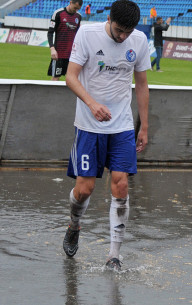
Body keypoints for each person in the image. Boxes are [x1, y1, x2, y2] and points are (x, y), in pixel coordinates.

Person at [63, 0, 151, 271]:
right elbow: (71, 77)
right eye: (119, 30)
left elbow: (142, 84)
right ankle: (74, 224)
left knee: (121, 185)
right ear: (110, 18)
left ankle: (114, 255)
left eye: (128, 31)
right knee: (84, 189)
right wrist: (92, 104)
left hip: (122, 126)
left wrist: (143, 126)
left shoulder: (139, 40)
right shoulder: (88, 34)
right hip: (89, 125)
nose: (123, 36)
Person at [47, 0, 82, 81]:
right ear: (70, 2)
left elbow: (78, 35)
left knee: (73, 79)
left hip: (72, 55)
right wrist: (52, 49)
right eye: (75, 8)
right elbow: (50, 33)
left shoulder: (78, 16)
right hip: (59, 54)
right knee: (55, 78)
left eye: (78, 9)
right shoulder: (58, 13)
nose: (76, 10)